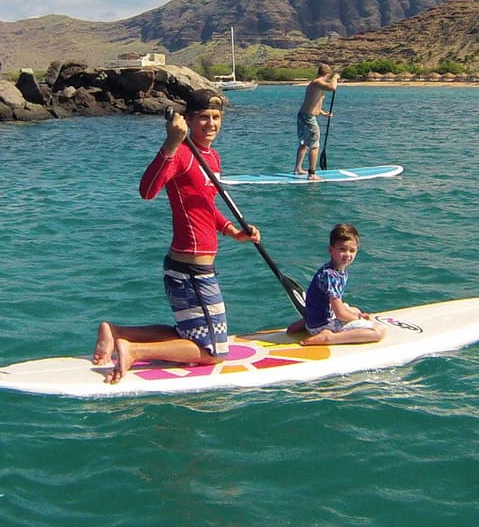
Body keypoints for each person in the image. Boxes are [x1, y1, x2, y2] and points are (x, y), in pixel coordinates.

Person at [91, 92, 261, 383]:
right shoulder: (182, 153)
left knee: (187, 333)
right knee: (214, 351)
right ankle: (133, 352)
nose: (211, 123)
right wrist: (170, 143)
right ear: (189, 120)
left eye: (216, 117)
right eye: (203, 117)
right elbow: (146, 191)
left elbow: (206, 204)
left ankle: (118, 332)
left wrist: (232, 230)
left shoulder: (211, 157)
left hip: (192, 268)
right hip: (190, 270)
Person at [294, 223, 384, 345]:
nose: (348, 254)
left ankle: (306, 324)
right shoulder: (332, 276)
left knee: (354, 309)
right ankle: (329, 338)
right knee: (378, 331)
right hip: (322, 326)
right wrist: (359, 318)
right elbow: (340, 314)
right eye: (342, 249)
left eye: (352, 250)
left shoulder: (331, 269)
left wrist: (354, 314)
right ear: (331, 250)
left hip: (315, 320)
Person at [294, 65, 340, 179]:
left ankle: (298, 169)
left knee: (304, 143)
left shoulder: (314, 84)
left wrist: (324, 114)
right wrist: (335, 78)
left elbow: (314, 103)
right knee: (314, 146)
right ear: (327, 75)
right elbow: (333, 87)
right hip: (308, 118)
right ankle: (312, 174)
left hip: (303, 116)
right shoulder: (318, 83)